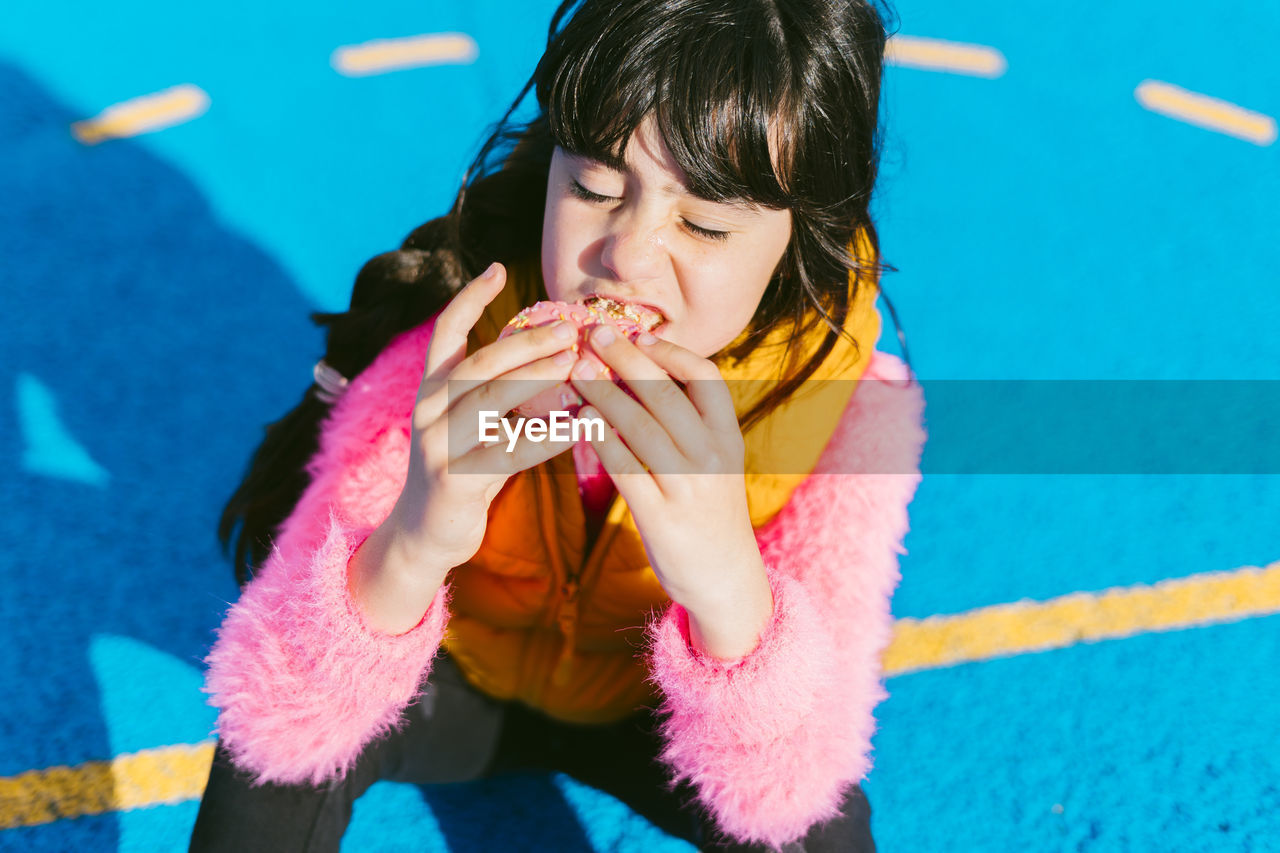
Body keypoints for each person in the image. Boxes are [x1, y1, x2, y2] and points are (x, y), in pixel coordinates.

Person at [190, 0, 926, 850]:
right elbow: (279, 691)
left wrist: (726, 582)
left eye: (705, 224)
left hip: (651, 707)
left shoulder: (844, 406)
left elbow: (798, 770)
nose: (627, 256)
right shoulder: (462, 341)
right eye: (593, 188)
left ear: (805, 235)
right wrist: (419, 534)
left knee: (822, 827)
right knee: (267, 745)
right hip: (451, 674)